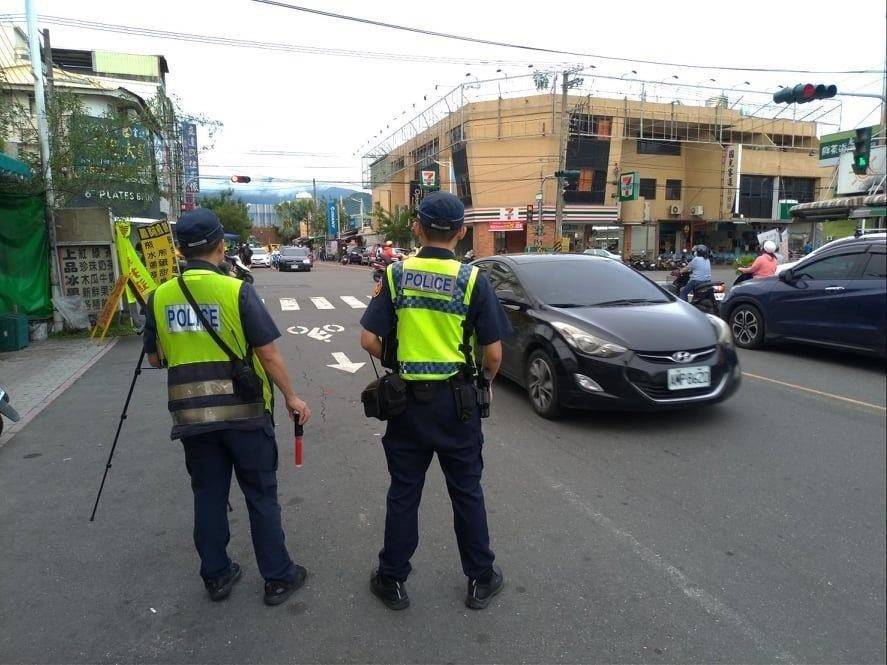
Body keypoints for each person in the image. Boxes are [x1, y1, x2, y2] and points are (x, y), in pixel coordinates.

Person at [143, 208, 312, 607]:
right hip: (245, 413)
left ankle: (216, 575)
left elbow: (155, 358)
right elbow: (267, 353)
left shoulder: (159, 297)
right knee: (260, 495)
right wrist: (291, 396)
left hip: (191, 417)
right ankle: (278, 578)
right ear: (221, 245)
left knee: (208, 495)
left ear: (180, 249)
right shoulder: (237, 291)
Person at [359, 191, 511, 612]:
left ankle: (392, 579)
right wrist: (484, 383)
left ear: (417, 227)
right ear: (461, 232)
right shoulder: (473, 280)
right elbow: (493, 354)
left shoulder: (395, 276)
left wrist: (401, 361)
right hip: (458, 405)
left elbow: (368, 339)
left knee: (404, 492)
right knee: (466, 491)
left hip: (406, 405)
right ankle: (480, 579)